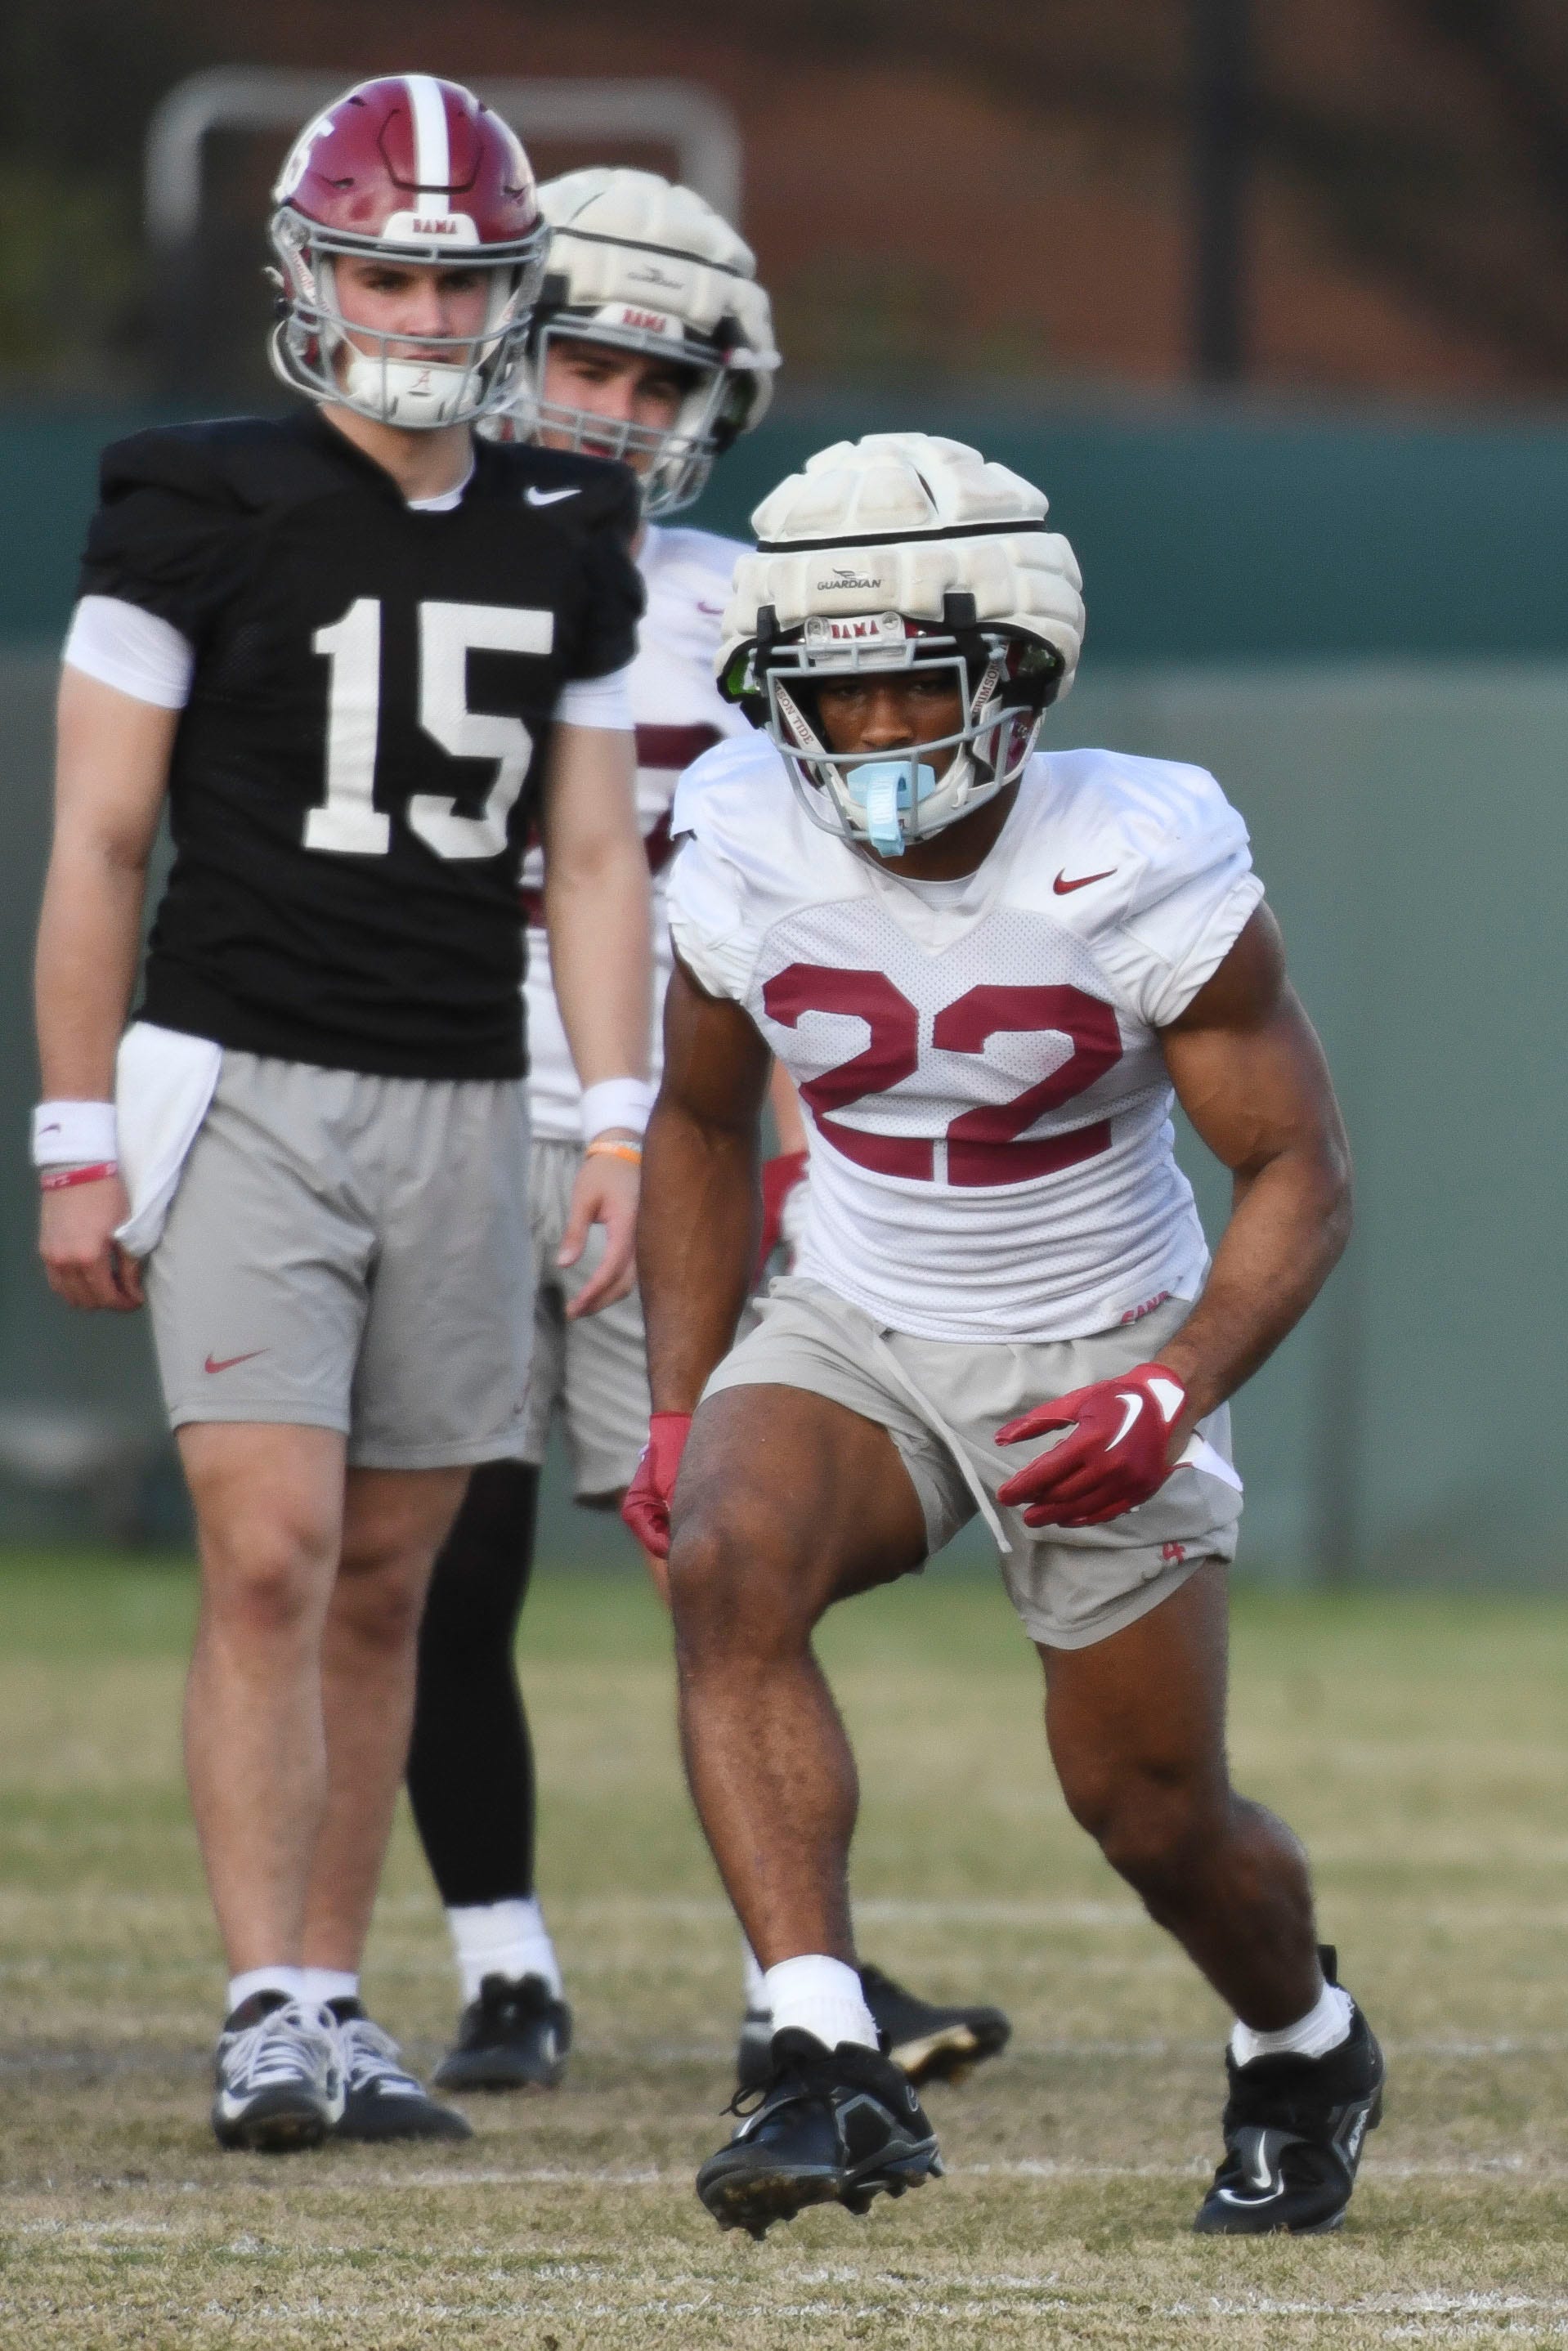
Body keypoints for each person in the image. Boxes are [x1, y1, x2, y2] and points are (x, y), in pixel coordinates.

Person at [623, 433, 1375, 2239]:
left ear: (1017, 673)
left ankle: (1303, 2039)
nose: (868, 731)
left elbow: (1298, 1170)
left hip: (1098, 1337)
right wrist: (676, 1402)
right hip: (862, 1313)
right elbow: (700, 1122)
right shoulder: (735, 825)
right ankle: (819, 2052)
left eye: (907, 683)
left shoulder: (1133, 848)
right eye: (829, 689)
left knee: (1148, 1812)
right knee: (724, 1561)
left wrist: (1170, 1380)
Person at [32, 74, 654, 2152]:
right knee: (274, 1550)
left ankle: (336, 1992)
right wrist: (73, 1127)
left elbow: (587, 858)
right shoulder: (189, 495)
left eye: (458, 275)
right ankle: (262, 2002)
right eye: (383, 265)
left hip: (468, 1096)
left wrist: (628, 1112)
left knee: (393, 1576)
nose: (415, 308)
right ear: (307, 271)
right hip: (243, 1077)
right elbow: (101, 847)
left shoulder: (569, 526)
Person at [403, 165, 1010, 2104]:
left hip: (668, 1117)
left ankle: (798, 1974)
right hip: (425, 1087)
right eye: (579, 358)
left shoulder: (759, 603)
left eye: (656, 385)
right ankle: (494, 1961)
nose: (609, 412)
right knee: (434, 1547)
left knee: (725, 1537)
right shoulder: (399, 557)